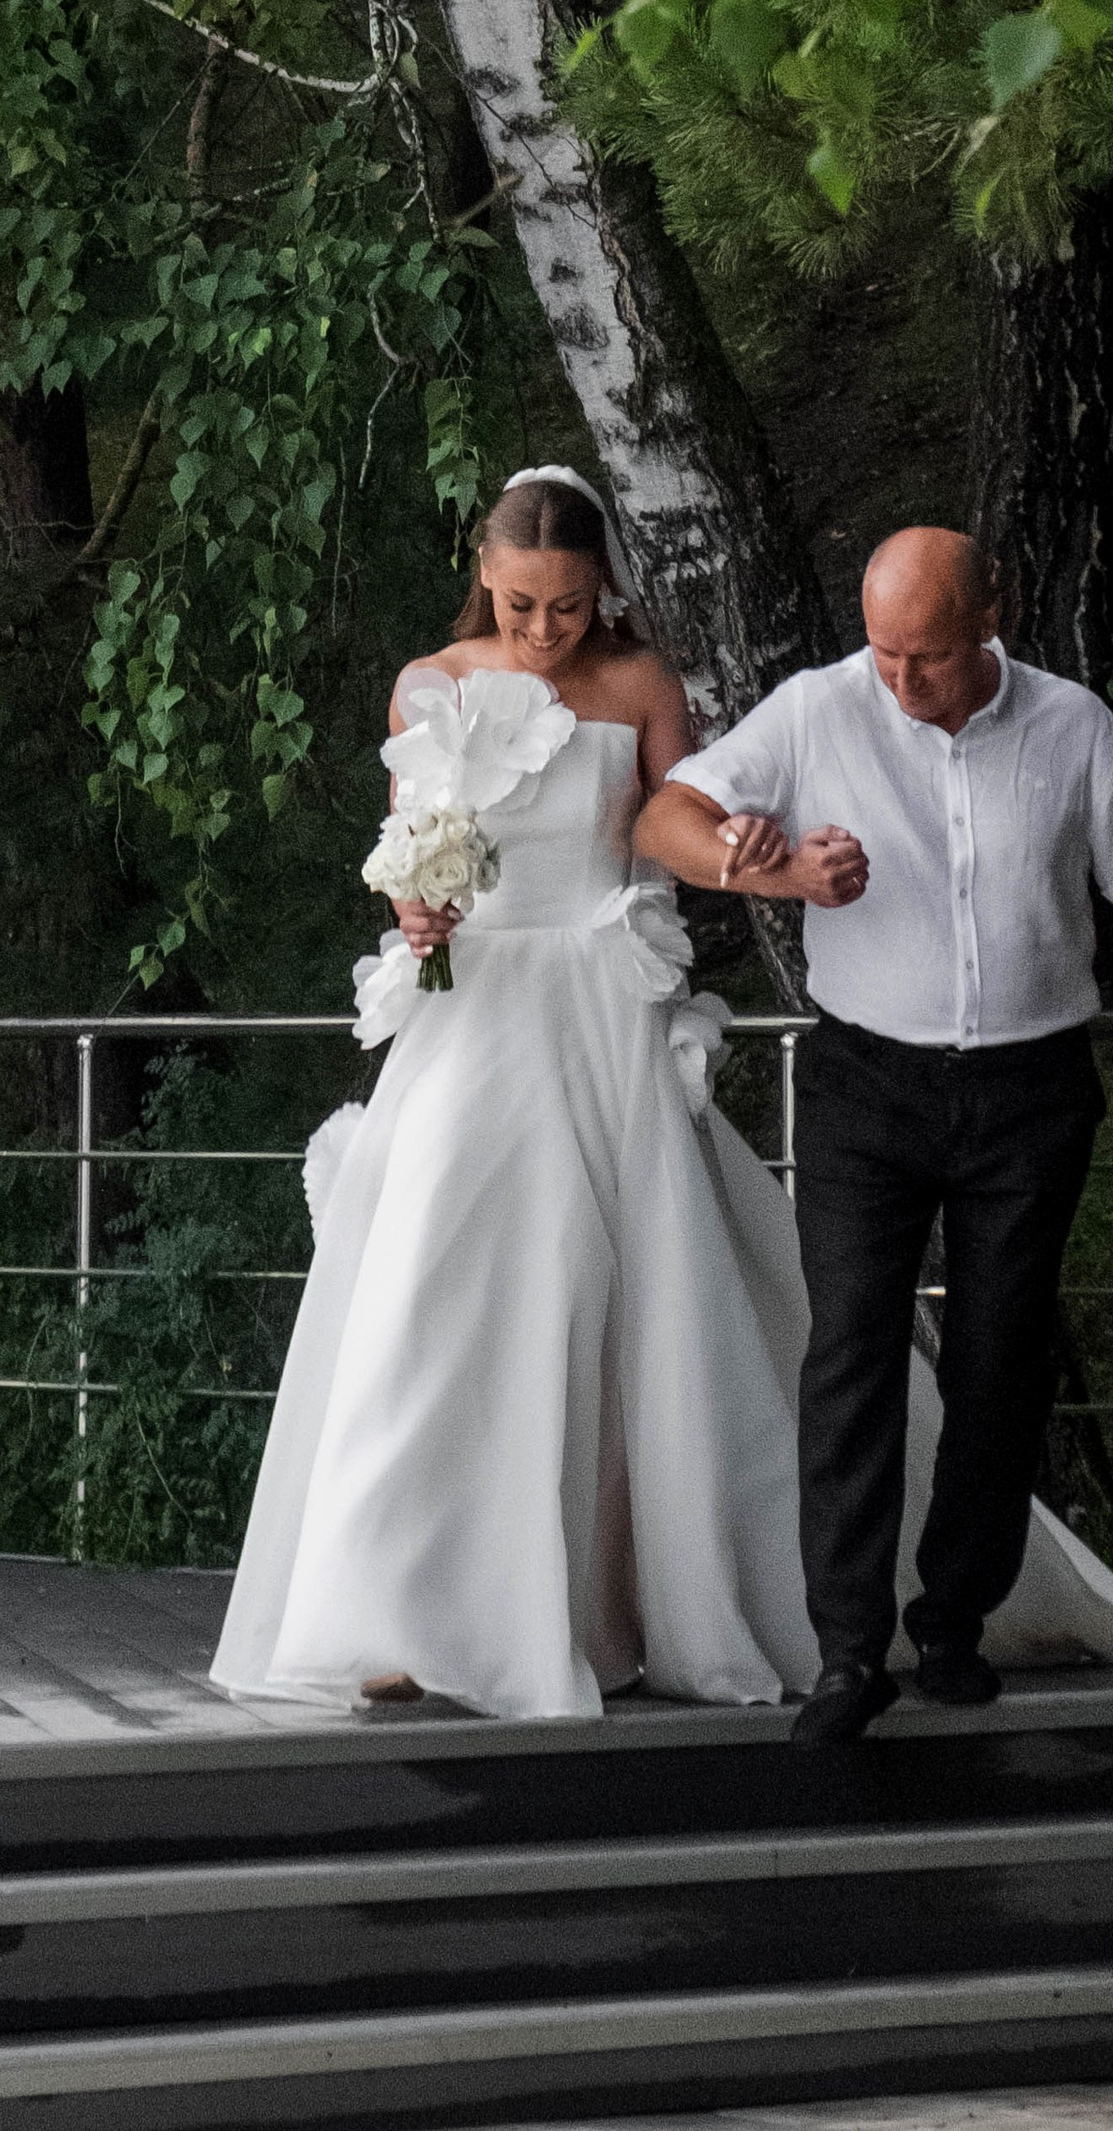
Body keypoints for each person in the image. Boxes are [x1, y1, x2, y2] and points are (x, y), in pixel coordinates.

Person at [209, 467, 818, 1722]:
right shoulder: (428, 683)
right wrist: (411, 906)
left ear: (605, 592)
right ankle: (393, 1609)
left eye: (574, 607)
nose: (548, 633)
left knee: (630, 1295)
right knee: (429, 1285)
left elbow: (672, 825)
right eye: (528, 604)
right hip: (472, 1000)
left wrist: (755, 864)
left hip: (596, 1001)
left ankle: (619, 1602)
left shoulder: (643, 687)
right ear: (485, 571)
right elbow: (406, 845)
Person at [635, 525, 1113, 1749]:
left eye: (930, 657)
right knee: (847, 1351)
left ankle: (953, 1621)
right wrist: (765, 875)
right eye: (885, 650)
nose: (900, 681)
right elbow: (665, 821)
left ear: (990, 619)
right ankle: (848, 1651)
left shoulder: (1072, 726)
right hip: (864, 1086)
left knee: (1003, 1360)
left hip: (1031, 1087)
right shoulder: (815, 710)